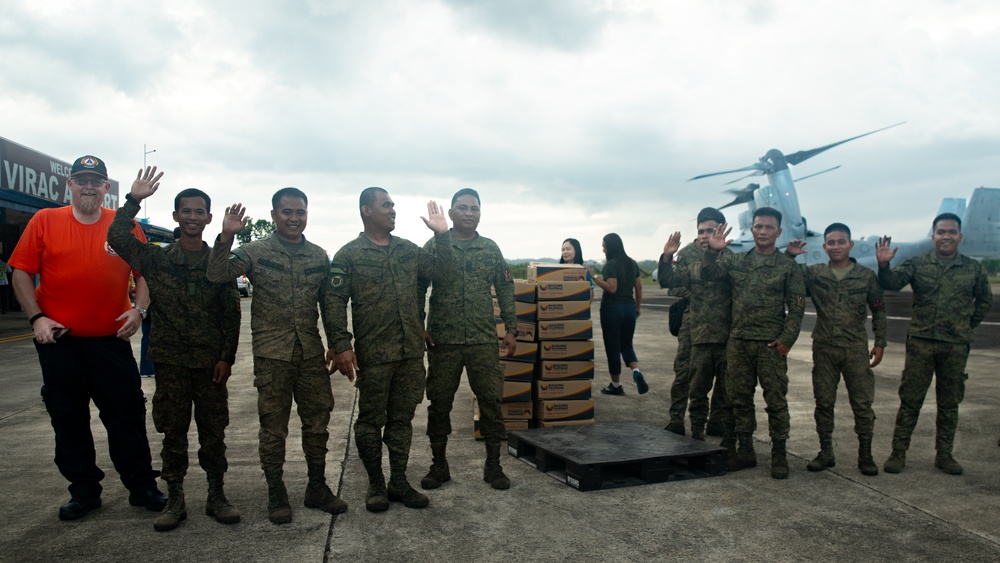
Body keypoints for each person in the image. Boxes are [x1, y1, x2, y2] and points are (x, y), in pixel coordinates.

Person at [8, 155, 166, 521]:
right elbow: (21, 272)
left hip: (110, 342)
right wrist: (37, 318)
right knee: (68, 418)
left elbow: (144, 273)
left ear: (106, 188)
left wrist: (138, 310)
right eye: (82, 180)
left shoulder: (121, 225)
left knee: (126, 415)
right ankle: (83, 491)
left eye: (96, 180)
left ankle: (141, 486)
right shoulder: (45, 220)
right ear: (71, 185)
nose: (89, 186)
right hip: (59, 343)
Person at [108, 169, 242, 531]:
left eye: (200, 212)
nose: (193, 217)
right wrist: (133, 200)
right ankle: (176, 499)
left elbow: (231, 314)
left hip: (210, 365)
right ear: (175, 216)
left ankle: (217, 496)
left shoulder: (219, 262)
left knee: (214, 433)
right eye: (186, 211)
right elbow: (118, 236)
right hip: (171, 364)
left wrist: (226, 357)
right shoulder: (157, 259)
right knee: (173, 433)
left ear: (209, 218)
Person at [206, 187, 346, 524]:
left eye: (300, 212)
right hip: (272, 355)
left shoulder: (317, 256)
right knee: (273, 429)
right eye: (287, 212)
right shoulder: (254, 252)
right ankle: (276, 491)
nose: (294, 218)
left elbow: (330, 305)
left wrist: (339, 344)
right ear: (273, 215)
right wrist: (225, 236)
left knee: (318, 424)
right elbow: (216, 275)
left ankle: (316, 487)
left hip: (310, 354)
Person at [328, 187, 451, 513]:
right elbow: (334, 302)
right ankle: (375, 484)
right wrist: (342, 345)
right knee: (370, 422)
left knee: (401, 420)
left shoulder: (408, 251)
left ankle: (398, 481)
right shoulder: (349, 255)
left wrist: (443, 236)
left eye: (393, 205)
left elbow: (441, 272)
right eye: (386, 205)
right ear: (367, 210)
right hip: (375, 356)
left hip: (410, 353)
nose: (393, 210)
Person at [876, 213, 993, 475]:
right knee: (910, 400)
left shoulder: (972, 268)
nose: (946, 236)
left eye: (951, 232)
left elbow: (984, 302)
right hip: (921, 344)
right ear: (933, 237)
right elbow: (892, 284)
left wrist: (964, 326)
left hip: (955, 346)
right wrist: (883, 266)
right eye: (941, 232)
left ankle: (944, 454)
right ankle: (898, 454)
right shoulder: (918, 264)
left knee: (949, 402)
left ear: (960, 236)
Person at [418, 188, 516, 492]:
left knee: (490, 401)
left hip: (482, 339)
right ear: (450, 213)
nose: (469, 213)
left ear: (480, 213)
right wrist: (418, 325)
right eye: (462, 208)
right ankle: (439, 465)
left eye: (474, 208)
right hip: (442, 340)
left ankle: (493, 466)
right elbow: (418, 288)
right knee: (439, 402)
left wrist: (512, 328)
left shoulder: (489, 248)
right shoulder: (433, 246)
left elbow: (505, 288)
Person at [702, 207, 806, 479]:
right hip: (739, 343)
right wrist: (713, 251)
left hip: (771, 346)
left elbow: (796, 309)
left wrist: (787, 340)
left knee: (776, 400)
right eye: (758, 226)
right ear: (752, 229)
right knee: (739, 400)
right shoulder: (737, 262)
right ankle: (745, 450)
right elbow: (708, 275)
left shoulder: (787, 267)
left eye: (768, 227)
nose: (762, 231)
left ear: (778, 232)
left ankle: (779, 454)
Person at [785, 223, 886, 476]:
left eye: (841, 242)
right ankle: (825, 452)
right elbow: (788, 276)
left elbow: (879, 309)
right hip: (824, 348)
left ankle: (866, 454)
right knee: (823, 402)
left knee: (862, 404)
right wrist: (789, 256)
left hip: (855, 348)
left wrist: (880, 342)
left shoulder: (865, 276)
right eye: (831, 242)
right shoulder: (815, 273)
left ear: (850, 245)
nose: (836, 246)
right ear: (824, 246)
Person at [658, 208, 733, 446]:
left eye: (710, 230)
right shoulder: (688, 254)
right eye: (701, 231)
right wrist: (667, 258)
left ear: (721, 229)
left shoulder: (728, 256)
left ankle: (717, 419)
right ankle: (677, 418)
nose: (704, 235)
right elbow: (670, 284)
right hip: (694, 321)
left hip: (723, 324)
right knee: (684, 371)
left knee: (723, 377)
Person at [593, 233, 647, 395]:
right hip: (629, 308)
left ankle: (616, 386)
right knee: (626, 344)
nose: (603, 249)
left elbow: (612, 287)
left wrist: (594, 276)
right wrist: (637, 307)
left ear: (610, 247)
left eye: (604, 246)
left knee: (613, 347)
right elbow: (638, 287)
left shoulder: (610, 265)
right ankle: (636, 372)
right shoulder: (632, 263)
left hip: (612, 309)